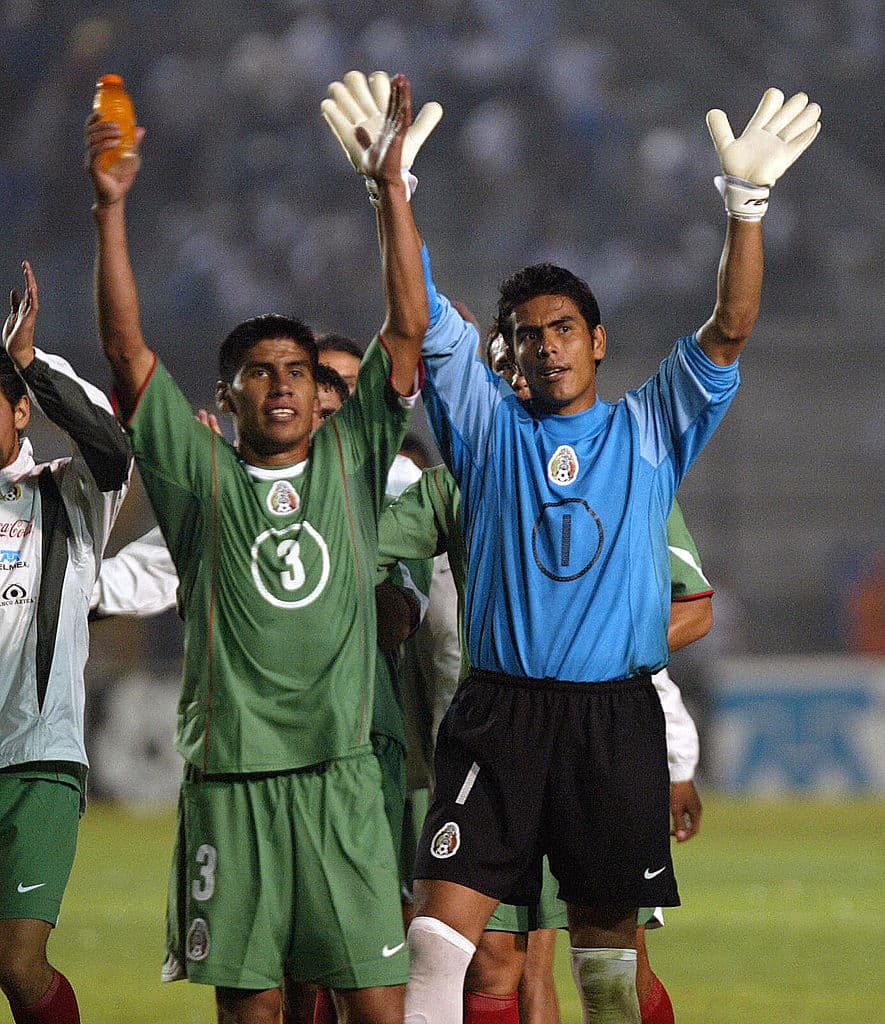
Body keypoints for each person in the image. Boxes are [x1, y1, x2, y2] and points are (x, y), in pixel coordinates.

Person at [329, 75, 820, 1023]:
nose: (546, 347)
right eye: (526, 336)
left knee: (605, 968)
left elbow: (731, 328)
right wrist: (391, 194)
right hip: (497, 716)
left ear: (596, 341)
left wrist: (744, 211)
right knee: (436, 946)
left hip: (611, 721)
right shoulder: (483, 429)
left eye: (562, 330)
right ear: (506, 354)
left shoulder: (648, 429)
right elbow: (418, 318)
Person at [86, 75, 426, 1024]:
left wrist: (390, 191)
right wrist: (111, 210)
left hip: (345, 777)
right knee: (255, 1011)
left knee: (376, 1009)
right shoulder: (201, 484)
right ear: (226, 399)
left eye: (296, 371)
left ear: (325, 397)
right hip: (233, 782)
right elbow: (126, 354)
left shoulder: (355, 460)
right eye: (257, 373)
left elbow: (405, 332)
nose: (281, 384)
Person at [0, 261, 131, 1024]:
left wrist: (32, 364)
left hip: (35, 760)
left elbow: (111, 445)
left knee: (17, 962)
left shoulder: (63, 496)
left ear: (20, 412)